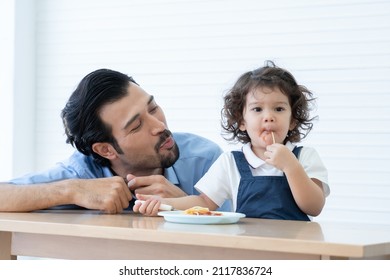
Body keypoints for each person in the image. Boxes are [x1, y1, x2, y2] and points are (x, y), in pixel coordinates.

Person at [0, 69, 224, 214]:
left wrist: (190, 207)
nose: (160, 126)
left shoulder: (205, 160)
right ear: (106, 149)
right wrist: (71, 190)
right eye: (136, 126)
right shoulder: (82, 173)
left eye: (153, 108)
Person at [134, 61, 330, 221]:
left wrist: (291, 166)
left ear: (293, 120)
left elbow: (314, 207)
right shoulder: (231, 162)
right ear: (241, 121)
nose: (268, 117)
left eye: (279, 109)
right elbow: (203, 203)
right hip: (248, 249)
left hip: (297, 249)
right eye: (257, 109)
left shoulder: (304, 156)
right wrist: (165, 205)